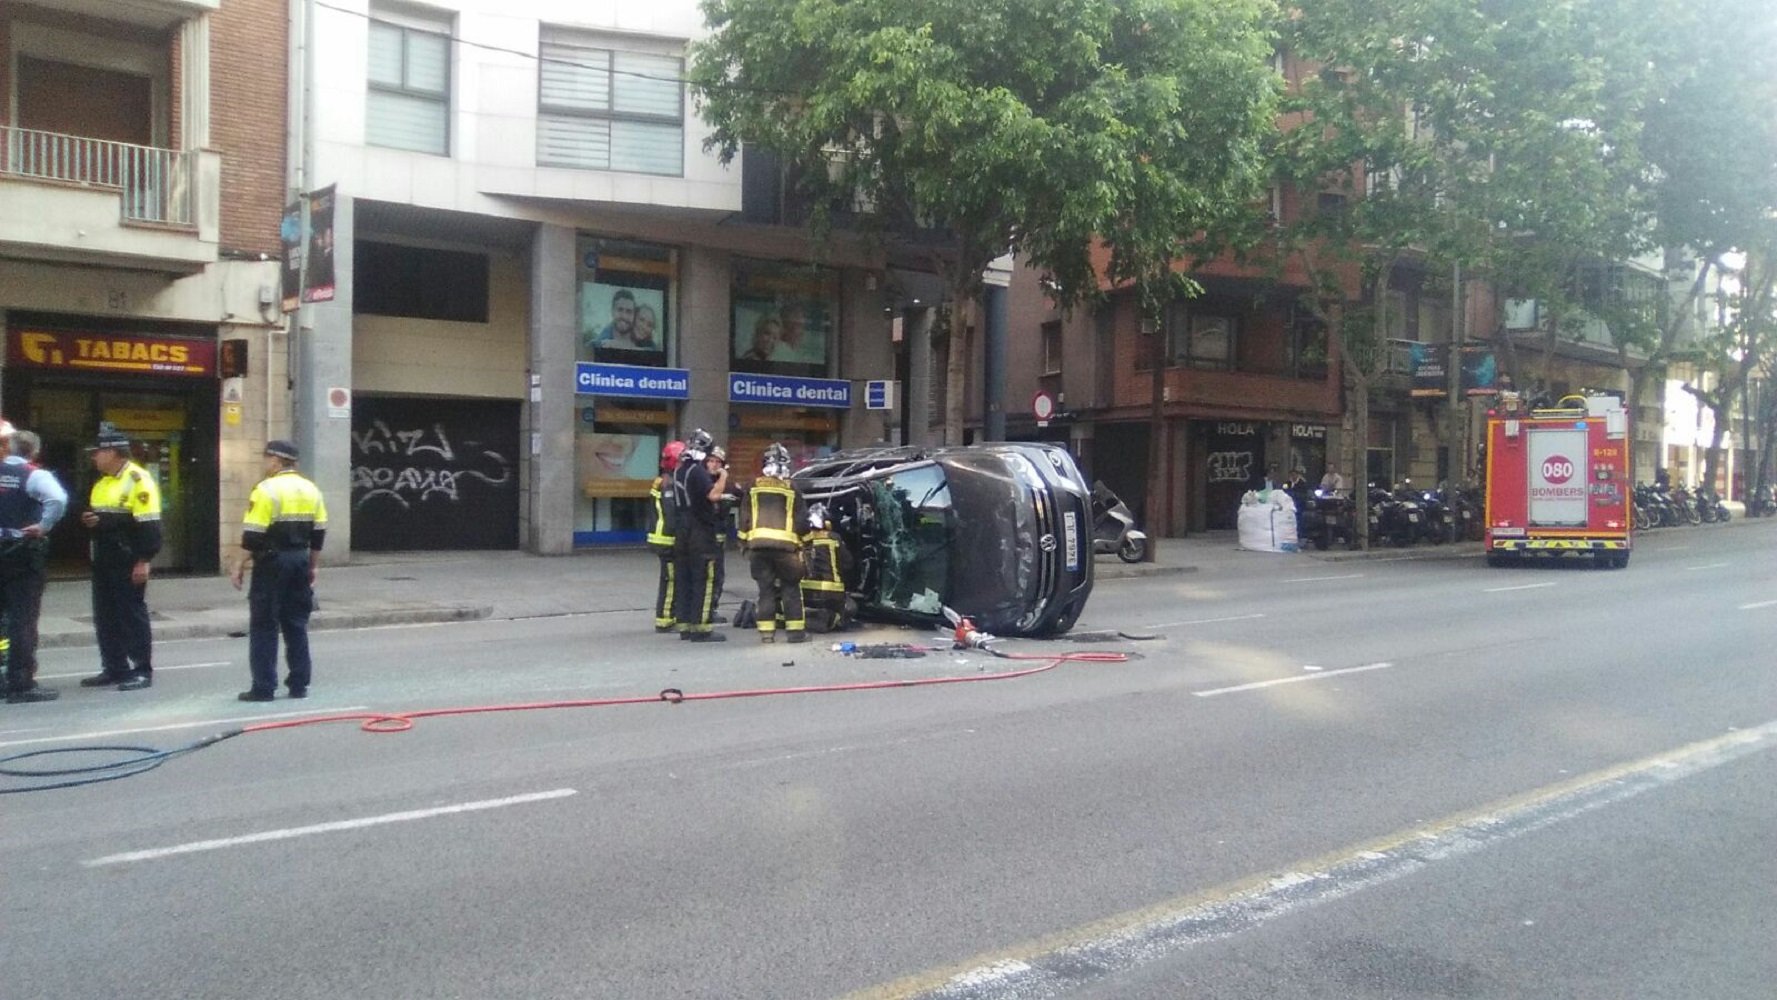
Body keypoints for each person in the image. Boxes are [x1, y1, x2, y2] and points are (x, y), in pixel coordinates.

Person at [230, 440, 328, 701]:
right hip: (299, 560)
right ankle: (299, 684)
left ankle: (263, 687)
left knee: (264, 625)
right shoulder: (312, 489)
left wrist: (238, 564)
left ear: (275, 460)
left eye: (266, 458)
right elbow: (319, 533)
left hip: (272, 563)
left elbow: (253, 536)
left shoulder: (265, 490)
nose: (264, 463)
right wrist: (313, 565)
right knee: (296, 624)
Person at [78, 431, 161, 692]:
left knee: (131, 615)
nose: (94, 457)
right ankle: (114, 667)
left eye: (97, 452)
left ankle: (141, 670)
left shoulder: (138, 480)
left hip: (128, 559)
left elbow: (150, 525)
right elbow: (105, 520)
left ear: (112, 453)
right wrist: (92, 521)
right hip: (104, 558)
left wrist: (144, 560)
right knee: (105, 616)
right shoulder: (102, 482)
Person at [0, 428, 68, 703]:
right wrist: (43, 525)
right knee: (23, 619)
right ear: (35, 451)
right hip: (21, 553)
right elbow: (58, 499)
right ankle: (20, 682)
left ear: (8, 448)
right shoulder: (34, 475)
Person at [740, 443, 808, 644]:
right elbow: (801, 520)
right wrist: (805, 543)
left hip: (758, 547)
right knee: (790, 588)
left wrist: (743, 543)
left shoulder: (753, 486)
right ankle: (795, 634)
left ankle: (767, 634)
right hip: (786, 549)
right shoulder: (791, 488)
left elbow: (744, 516)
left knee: (765, 589)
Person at [671, 430, 728, 642]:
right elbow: (713, 495)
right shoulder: (697, 471)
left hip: (681, 530)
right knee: (703, 580)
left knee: (684, 579)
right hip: (700, 532)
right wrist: (723, 477)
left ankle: (685, 626)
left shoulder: (679, 471)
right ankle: (701, 629)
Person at [647, 440, 685, 633]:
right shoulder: (669, 484)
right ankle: (665, 619)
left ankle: (669, 615)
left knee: (670, 578)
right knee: (670, 580)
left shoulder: (662, 480)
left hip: (662, 537)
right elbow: (672, 514)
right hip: (667, 539)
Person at [800, 503, 854, 634]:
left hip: (806, 593)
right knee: (852, 607)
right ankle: (833, 619)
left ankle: (812, 616)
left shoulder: (802, 540)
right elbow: (848, 563)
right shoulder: (834, 538)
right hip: (831, 593)